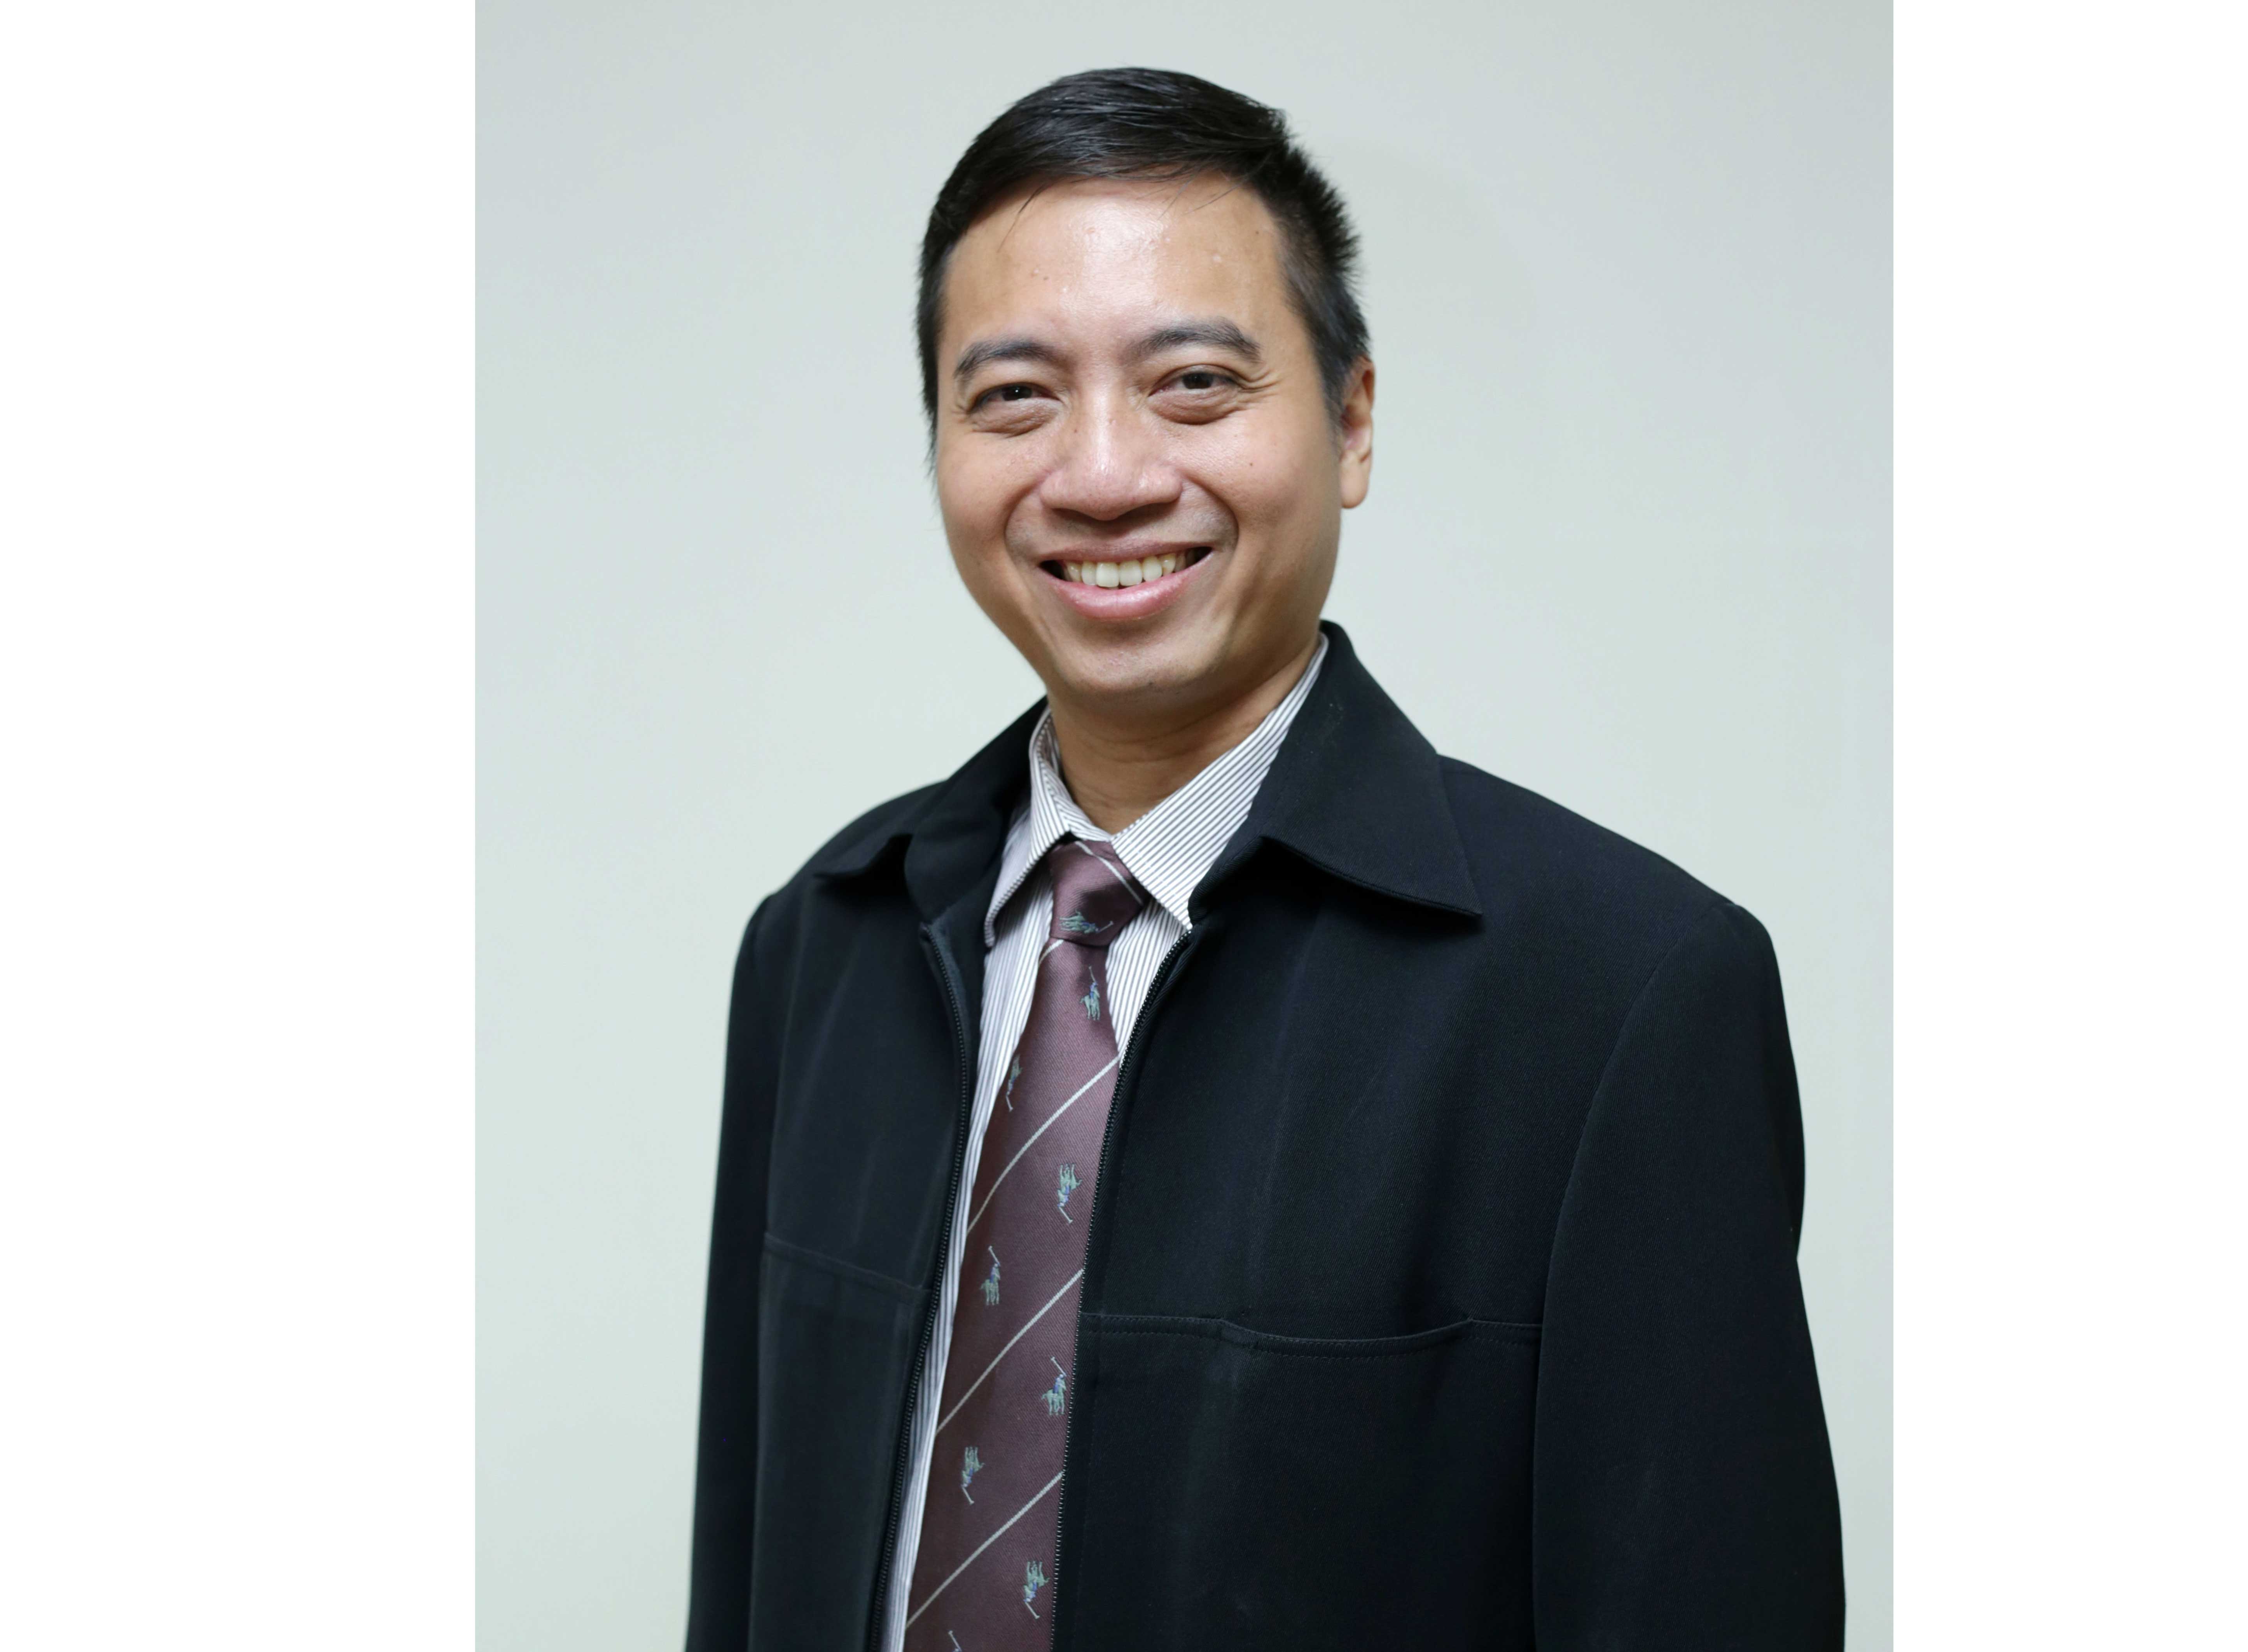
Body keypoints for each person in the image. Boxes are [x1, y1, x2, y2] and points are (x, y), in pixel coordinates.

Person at [685, 66, 1844, 1652]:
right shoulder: (826, 943)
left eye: (1193, 384)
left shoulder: (1620, 997)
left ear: (1352, 419)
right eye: (1015, 396)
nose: (1103, 474)